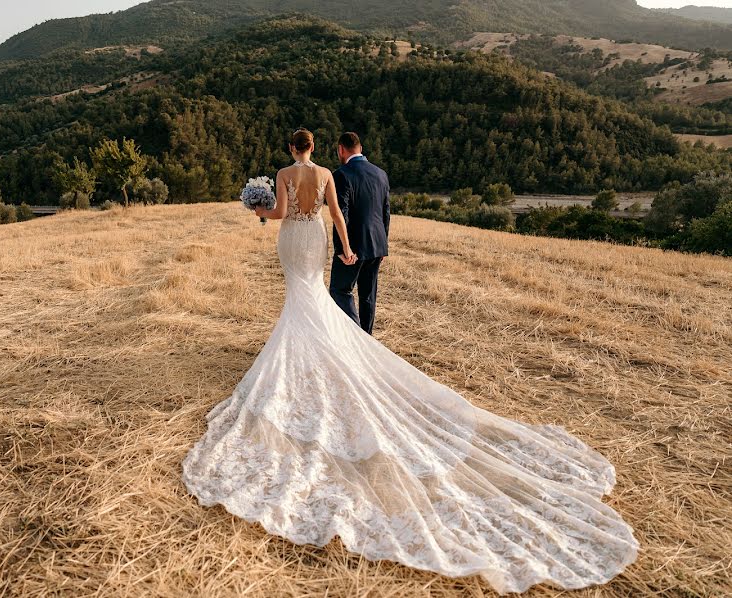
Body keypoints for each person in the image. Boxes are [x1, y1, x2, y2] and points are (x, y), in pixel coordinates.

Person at [181, 128, 638, 595]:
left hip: (291, 239)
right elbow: (337, 213)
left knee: (300, 298)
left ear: (290, 149)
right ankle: (336, 346)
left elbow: (279, 212)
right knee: (314, 293)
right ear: (315, 148)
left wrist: (257, 209)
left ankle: (315, 352)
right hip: (317, 237)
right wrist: (344, 246)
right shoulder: (324, 175)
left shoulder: (281, 174)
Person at [330, 132, 390, 335]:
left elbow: (341, 214)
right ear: (360, 148)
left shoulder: (342, 174)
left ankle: (356, 339)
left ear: (341, 149)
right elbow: (385, 212)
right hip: (377, 244)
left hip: (353, 246)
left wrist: (341, 248)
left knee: (340, 290)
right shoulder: (381, 173)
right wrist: (383, 245)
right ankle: (367, 338)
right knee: (368, 295)